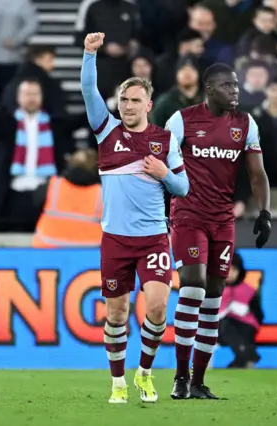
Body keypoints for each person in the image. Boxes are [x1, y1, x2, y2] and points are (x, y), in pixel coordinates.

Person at [80, 32, 190, 405]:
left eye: (134, 100)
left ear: (148, 104)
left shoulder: (164, 141)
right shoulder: (106, 130)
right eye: (123, 100)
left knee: (158, 307)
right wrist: (89, 54)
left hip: (154, 237)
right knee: (117, 314)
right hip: (115, 239)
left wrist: (164, 173)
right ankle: (117, 383)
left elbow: (184, 189)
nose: (127, 106)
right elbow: (87, 91)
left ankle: (143, 372)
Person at [165, 63, 272, 400]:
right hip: (188, 214)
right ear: (209, 89)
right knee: (193, 287)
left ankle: (197, 382)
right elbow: (163, 167)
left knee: (213, 298)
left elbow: (257, 174)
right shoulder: (181, 120)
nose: (236, 91)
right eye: (228, 86)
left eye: (237, 85)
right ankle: (180, 377)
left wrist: (264, 212)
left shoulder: (246, 124)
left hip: (223, 220)